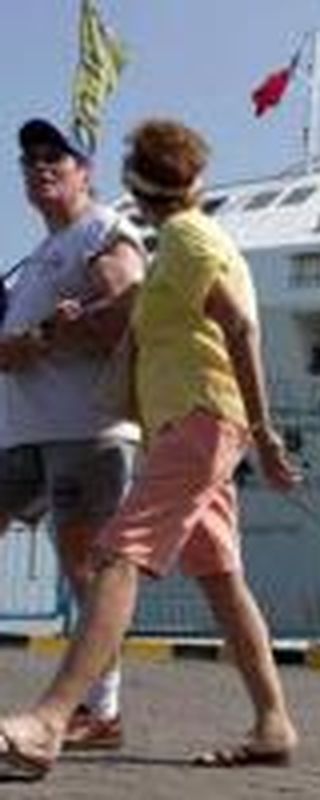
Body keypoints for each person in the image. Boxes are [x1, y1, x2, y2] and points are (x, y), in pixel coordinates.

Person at [0, 118, 301, 778]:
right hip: (189, 423)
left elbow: (240, 327)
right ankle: (273, 722)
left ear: (132, 190)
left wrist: (266, 432)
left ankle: (50, 722)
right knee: (222, 580)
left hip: (200, 422)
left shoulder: (189, 240)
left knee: (116, 556)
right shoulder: (177, 245)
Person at [0, 118, 145, 750]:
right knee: (79, 564)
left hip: (85, 429)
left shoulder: (103, 229)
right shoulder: (36, 259)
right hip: (23, 432)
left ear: (87, 171)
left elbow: (128, 310)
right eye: (29, 159)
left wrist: (52, 336)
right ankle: (97, 706)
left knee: (86, 568)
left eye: (55, 155)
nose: (40, 165)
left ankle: (100, 709)